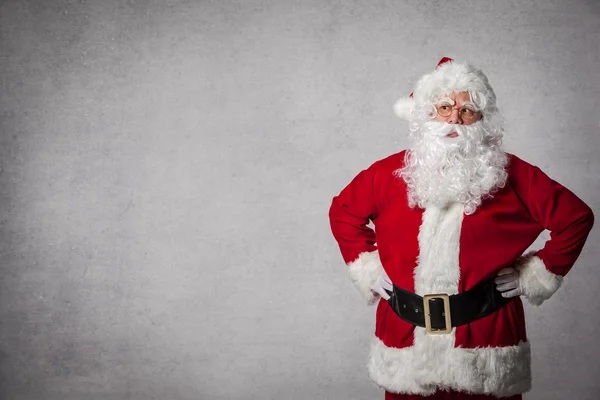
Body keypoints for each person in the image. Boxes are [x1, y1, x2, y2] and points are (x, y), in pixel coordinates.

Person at [328, 57, 594, 400]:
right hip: (405, 340)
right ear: (426, 114)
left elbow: (575, 218)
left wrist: (534, 274)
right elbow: (343, 211)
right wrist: (368, 267)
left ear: (482, 120)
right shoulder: (387, 173)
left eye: (468, 110)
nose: (455, 117)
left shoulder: (514, 175)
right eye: (444, 107)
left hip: (486, 339)